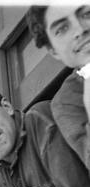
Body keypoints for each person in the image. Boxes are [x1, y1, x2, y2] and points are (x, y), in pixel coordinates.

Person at [27, 5, 90, 168]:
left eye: (87, 14)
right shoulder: (66, 103)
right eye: (62, 29)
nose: (80, 30)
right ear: (53, 51)